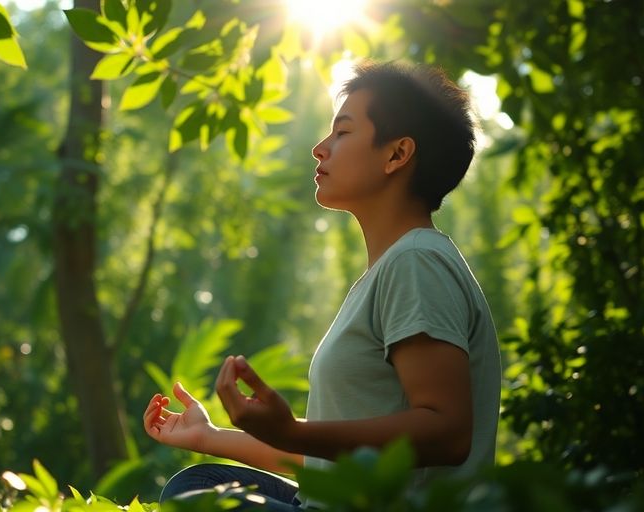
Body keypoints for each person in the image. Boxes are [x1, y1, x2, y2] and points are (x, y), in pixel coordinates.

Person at [142, 60, 502, 510]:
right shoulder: (394, 268)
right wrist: (210, 435)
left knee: (192, 501)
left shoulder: (416, 262)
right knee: (199, 483)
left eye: (343, 132)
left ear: (397, 155)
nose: (319, 148)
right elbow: (331, 460)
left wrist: (293, 430)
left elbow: (448, 433)